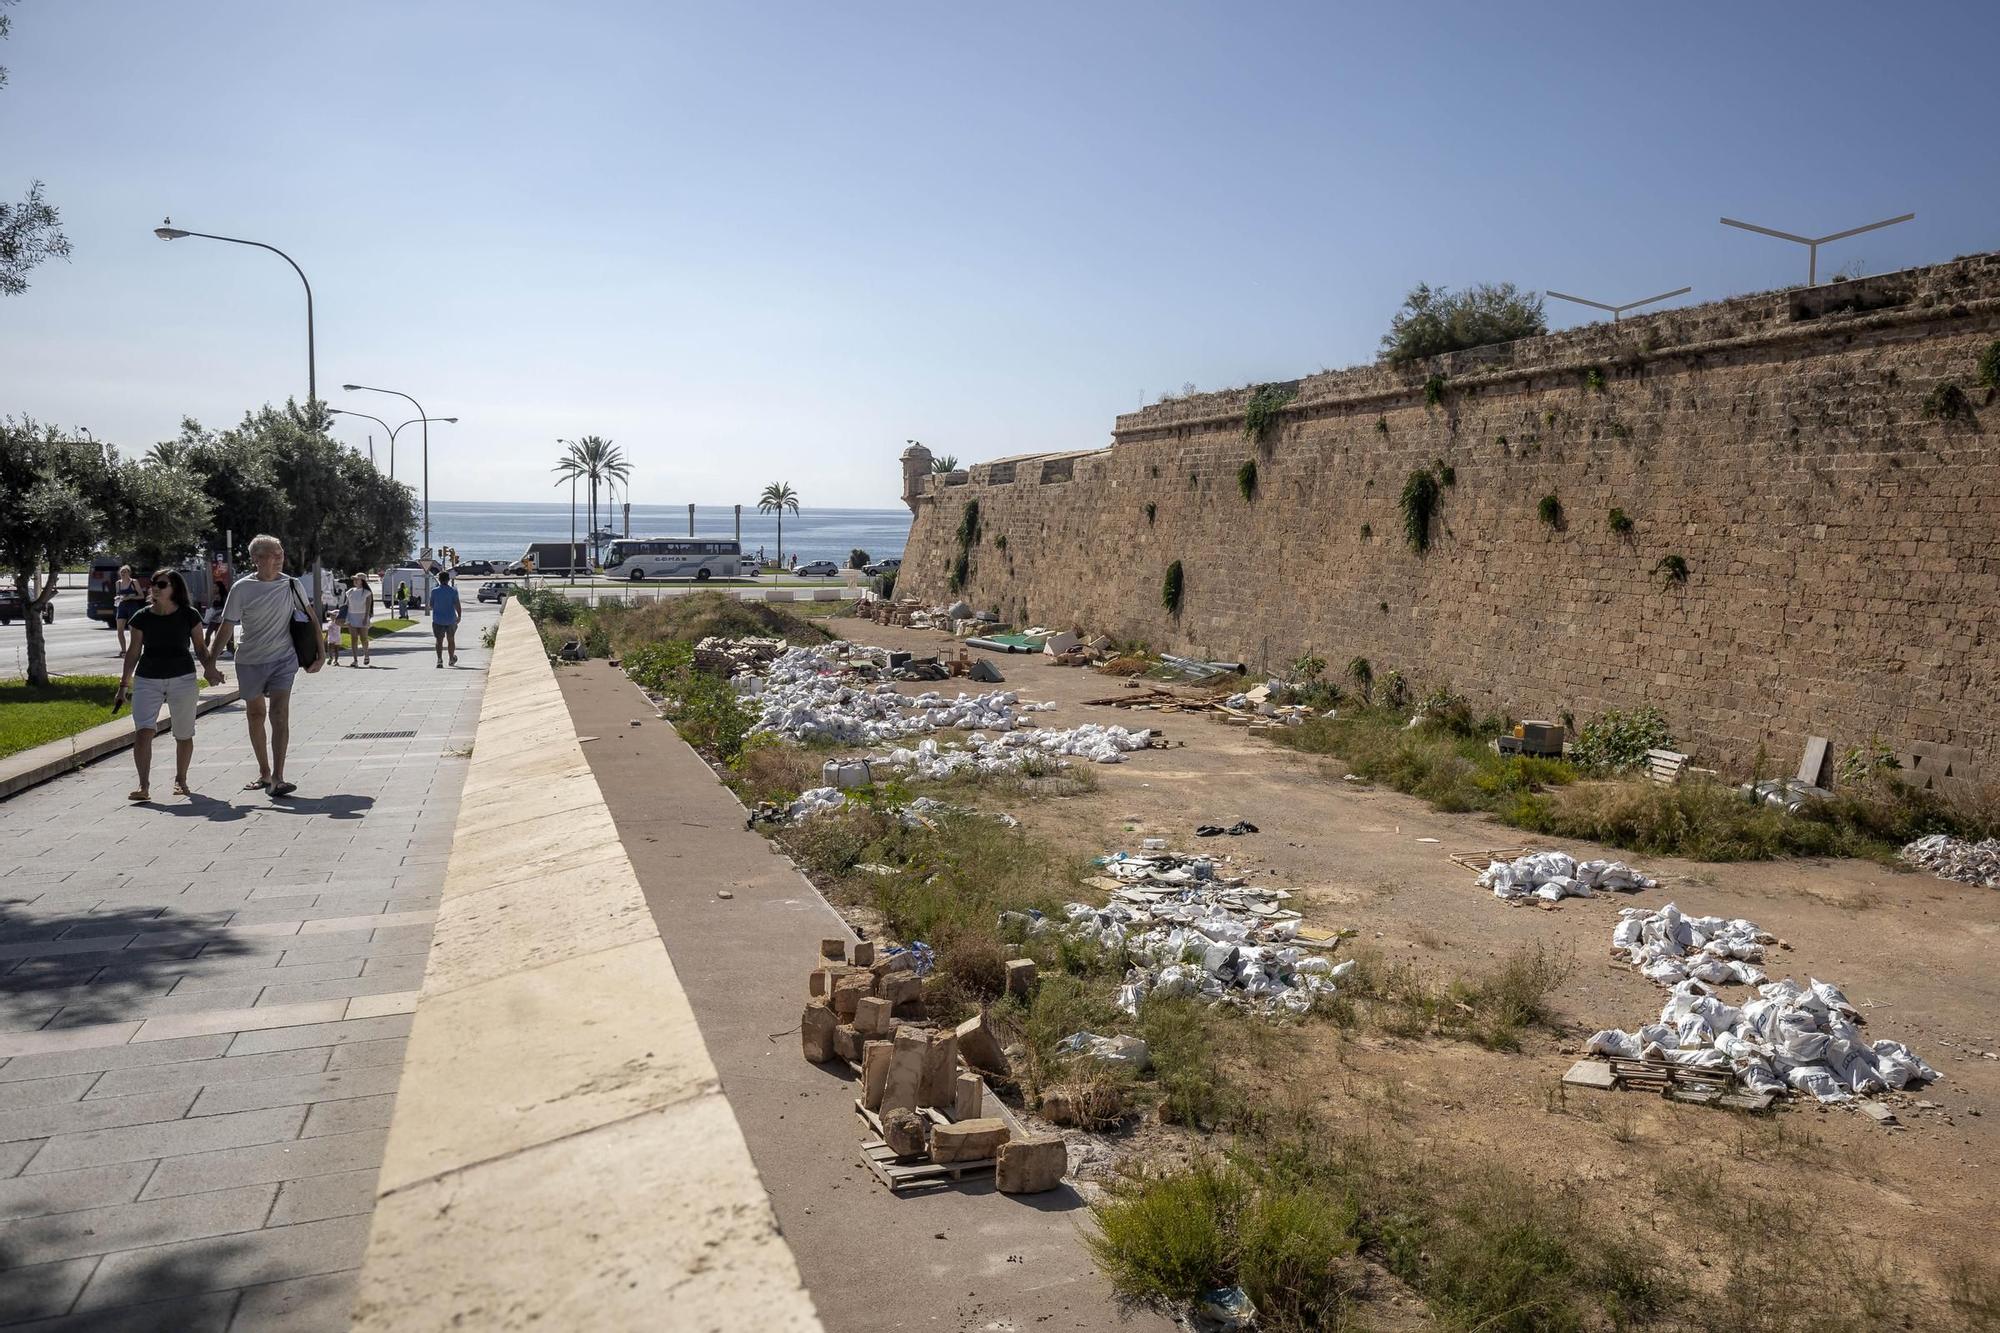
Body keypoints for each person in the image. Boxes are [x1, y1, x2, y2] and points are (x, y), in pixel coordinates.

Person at [218, 534, 322, 798]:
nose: (278, 559)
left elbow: (311, 619)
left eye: (281, 554)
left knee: (278, 713)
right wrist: (209, 661)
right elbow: (226, 626)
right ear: (256, 559)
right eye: (272, 555)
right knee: (255, 715)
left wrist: (321, 654)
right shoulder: (241, 589)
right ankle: (264, 772)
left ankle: (278, 777)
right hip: (250, 659)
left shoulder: (291, 585)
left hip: (283, 659)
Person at [112, 569, 223, 802]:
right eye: (153, 583)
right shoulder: (141, 617)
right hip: (147, 679)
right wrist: (124, 684)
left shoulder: (189, 615)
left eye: (161, 584)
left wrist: (210, 670)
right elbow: (133, 653)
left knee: (183, 733)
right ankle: (143, 785)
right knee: (143, 731)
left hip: (182, 679)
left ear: (174, 588)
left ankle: (181, 780)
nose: (154, 587)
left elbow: (201, 649)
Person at [428, 570, 462, 668]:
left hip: (438, 619)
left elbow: (431, 605)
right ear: (448, 579)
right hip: (451, 619)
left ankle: (439, 660)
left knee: (439, 640)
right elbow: (457, 605)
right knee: (451, 639)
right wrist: (459, 616)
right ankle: (451, 658)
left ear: (439, 579)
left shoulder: (434, 591)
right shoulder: (453, 591)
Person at [343, 574, 375, 667]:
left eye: (357, 579)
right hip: (351, 616)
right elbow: (346, 604)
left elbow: (368, 606)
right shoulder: (350, 592)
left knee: (364, 638)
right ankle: (355, 660)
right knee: (354, 639)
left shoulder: (367, 592)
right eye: (354, 579)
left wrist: (366, 618)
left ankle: (366, 655)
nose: (355, 581)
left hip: (362, 616)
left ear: (362, 581)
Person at [113, 565, 144, 655]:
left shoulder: (134, 582)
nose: (123, 573)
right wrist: (118, 598)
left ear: (129, 573)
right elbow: (118, 595)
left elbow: (141, 596)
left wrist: (131, 597)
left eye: (125, 572)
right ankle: (123, 650)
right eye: (121, 572)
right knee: (119, 630)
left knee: (133, 630)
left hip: (132, 606)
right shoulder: (118, 583)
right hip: (121, 606)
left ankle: (134, 650)